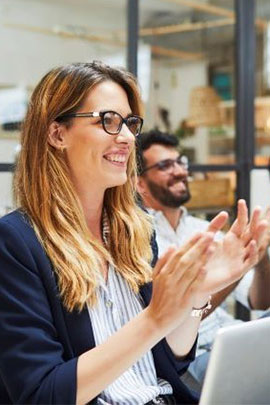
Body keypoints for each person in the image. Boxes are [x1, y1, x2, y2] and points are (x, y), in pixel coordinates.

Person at [0, 62, 266, 405]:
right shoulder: (16, 243)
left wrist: (198, 293)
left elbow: (170, 360)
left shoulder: (134, 227)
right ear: (57, 134)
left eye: (130, 123)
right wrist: (154, 318)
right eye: (107, 120)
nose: (126, 137)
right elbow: (42, 394)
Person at [136, 129, 270, 388]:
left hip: (233, 337)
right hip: (189, 361)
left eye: (180, 162)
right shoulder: (139, 241)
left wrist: (260, 255)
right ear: (140, 183)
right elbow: (171, 319)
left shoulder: (203, 229)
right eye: (165, 165)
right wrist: (238, 266)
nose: (178, 171)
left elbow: (259, 300)